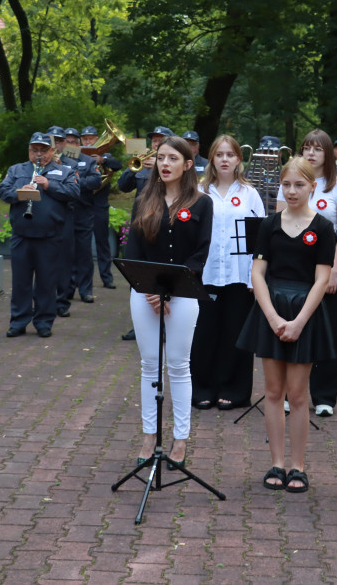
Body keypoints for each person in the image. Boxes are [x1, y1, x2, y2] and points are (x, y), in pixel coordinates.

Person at [236, 157, 336, 492]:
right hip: (272, 309)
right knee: (273, 391)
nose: (292, 191)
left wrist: (298, 322)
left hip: (304, 311)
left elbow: (322, 279)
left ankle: (298, 466)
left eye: (299, 185)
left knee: (298, 393)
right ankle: (276, 463)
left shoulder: (322, 228)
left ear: (312, 187)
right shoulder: (269, 225)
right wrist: (273, 317)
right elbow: (257, 273)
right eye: (287, 185)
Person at [126, 136, 213, 469]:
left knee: (178, 365)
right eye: (161, 157)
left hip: (184, 293)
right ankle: (150, 435)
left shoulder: (202, 203)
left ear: (187, 165)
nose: (164, 164)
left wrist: (169, 289)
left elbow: (200, 253)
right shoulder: (144, 198)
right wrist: (149, 289)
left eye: (172, 158)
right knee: (150, 364)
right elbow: (133, 252)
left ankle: (181, 438)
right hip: (144, 293)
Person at [277, 130, 337, 417]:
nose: (311, 153)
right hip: (296, 267)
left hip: (330, 266)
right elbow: (280, 223)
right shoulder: (291, 181)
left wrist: (334, 270)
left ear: (328, 153)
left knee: (328, 329)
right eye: (306, 148)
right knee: (292, 324)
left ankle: (324, 395)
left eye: (317, 149)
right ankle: (288, 393)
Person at [191, 134, 266, 410]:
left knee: (236, 333)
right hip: (206, 274)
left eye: (230, 155)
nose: (224, 159)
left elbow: (260, 240)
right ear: (212, 158)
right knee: (204, 334)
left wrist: (254, 277)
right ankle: (203, 388)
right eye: (219, 154)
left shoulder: (250, 194)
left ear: (238, 159)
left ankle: (233, 390)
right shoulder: (199, 190)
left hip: (239, 276)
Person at [0, 132, 80, 338]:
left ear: (52, 151)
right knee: (20, 282)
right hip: (22, 235)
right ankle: (19, 321)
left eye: (43, 150)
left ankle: (44, 322)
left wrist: (48, 185)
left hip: (50, 236)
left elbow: (73, 193)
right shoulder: (17, 170)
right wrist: (19, 191)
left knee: (46, 281)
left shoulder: (64, 171)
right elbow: (2, 190)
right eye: (35, 150)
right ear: (29, 151)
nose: (39, 154)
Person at [118, 126, 174, 340]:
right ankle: (140, 323)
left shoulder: (170, 165)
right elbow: (122, 186)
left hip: (164, 225)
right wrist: (133, 166)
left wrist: (157, 168)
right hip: (141, 226)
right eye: (154, 140)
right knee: (137, 273)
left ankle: (166, 323)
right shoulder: (142, 163)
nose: (156, 143)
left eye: (161, 139)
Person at [78, 126, 122, 290]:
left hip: (99, 205)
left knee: (102, 242)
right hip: (83, 204)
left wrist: (102, 160)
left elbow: (118, 165)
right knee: (82, 244)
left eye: (91, 138)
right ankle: (82, 279)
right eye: (85, 138)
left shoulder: (106, 154)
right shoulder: (77, 154)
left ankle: (107, 277)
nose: (88, 141)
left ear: (97, 139)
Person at [65, 128, 104, 304]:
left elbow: (96, 180)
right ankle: (67, 289)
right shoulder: (59, 161)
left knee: (85, 253)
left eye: (74, 142)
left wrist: (74, 183)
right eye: (68, 142)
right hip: (65, 213)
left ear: (78, 144)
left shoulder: (87, 161)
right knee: (67, 253)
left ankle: (86, 290)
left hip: (84, 212)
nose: (71, 145)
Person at [48, 126, 80, 318]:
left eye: (58, 141)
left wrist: (59, 168)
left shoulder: (71, 163)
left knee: (64, 260)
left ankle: (62, 301)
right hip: (44, 217)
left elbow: (73, 192)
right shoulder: (38, 164)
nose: (55, 145)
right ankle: (45, 300)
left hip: (65, 216)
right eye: (51, 141)